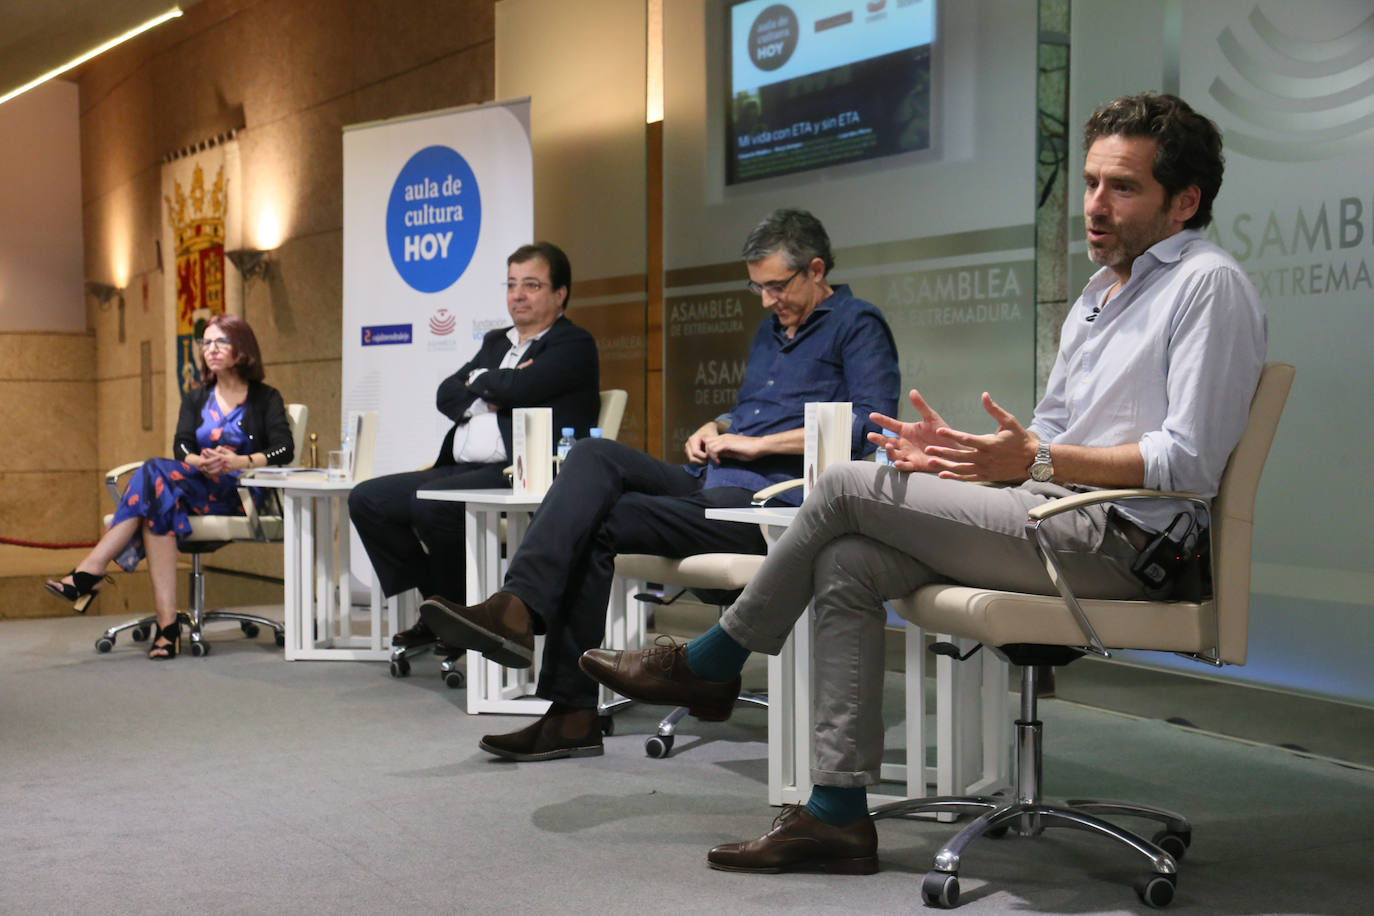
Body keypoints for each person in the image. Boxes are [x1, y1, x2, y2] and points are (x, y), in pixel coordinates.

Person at [581, 92, 1268, 874]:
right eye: (1089, 183)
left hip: (1122, 544)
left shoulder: (1208, 286)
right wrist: (961, 459)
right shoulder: (1099, 294)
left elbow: (1189, 464)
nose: (1095, 206)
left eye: (1123, 187)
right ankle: (836, 814)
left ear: (1185, 200)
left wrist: (1034, 463)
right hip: (1052, 519)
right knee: (847, 564)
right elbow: (1050, 433)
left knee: (843, 486)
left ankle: (711, 660)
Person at [419, 208, 901, 762]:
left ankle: (560, 694)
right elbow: (751, 412)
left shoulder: (858, 324)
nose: (766, 301)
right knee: (595, 457)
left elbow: (870, 423)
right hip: (710, 482)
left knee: (595, 525)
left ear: (816, 270)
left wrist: (757, 446)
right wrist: (718, 427)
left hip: (766, 510)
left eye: (776, 286)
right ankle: (524, 623)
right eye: (757, 288)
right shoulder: (771, 333)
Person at [349, 242, 600, 649]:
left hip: (522, 472)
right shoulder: (497, 342)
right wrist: (496, 382)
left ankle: (459, 618)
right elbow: (446, 394)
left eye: (532, 285)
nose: (518, 294)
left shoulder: (573, 344)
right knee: (368, 500)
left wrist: (487, 382)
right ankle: (445, 607)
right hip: (460, 466)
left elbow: (523, 386)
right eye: (512, 284)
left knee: (431, 504)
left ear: (560, 294)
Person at [43, 314, 295, 660]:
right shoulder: (197, 398)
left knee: (153, 480)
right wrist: (198, 462)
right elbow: (181, 446)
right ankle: (164, 621)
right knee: (156, 483)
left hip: (239, 494)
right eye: (206, 343)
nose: (211, 350)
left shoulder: (265, 398)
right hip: (197, 486)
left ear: (243, 348)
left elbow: (284, 448)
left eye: (221, 342)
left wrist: (239, 461)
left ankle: (94, 574)